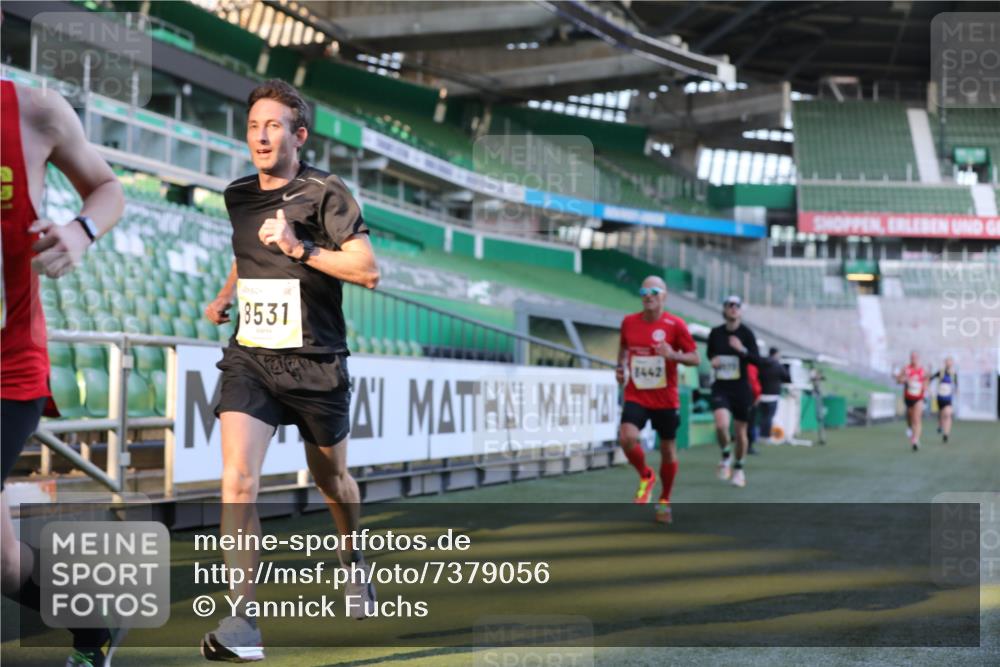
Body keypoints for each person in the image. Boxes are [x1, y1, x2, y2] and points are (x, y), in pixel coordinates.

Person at [201, 79, 379, 662]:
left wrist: (301, 249)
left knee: (332, 482)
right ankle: (243, 621)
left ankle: (353, 559)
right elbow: (244, 251)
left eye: (274, 125)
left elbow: (368, 270)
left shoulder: (327, 192)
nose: (261, 135)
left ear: (299, 135)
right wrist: (227, 293)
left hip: (318, 361)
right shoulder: (237, 194)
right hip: (252, 356)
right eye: (254, 125)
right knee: (237, 482)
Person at [1, 78, 125, 666]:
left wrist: (80, 230)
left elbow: (107, 188)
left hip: (7, 368)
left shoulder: (35, 110)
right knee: (2, 563)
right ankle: (92, 623)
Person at [616, 276, 699, 525]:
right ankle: (646, 475)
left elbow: (695, 357)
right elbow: (623, 348)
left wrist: (672, 354)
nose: (648, 295)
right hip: (637, 394)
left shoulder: (676, 325)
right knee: (627, 437)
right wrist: (620, 367)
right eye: (643, 291)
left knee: (667, 451)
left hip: (665, 398)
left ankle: (664, 500)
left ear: (663, 296)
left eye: (653, 291)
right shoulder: (629, 322)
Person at [707, 296, 760, 488]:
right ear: (724, 310)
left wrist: (742, 349)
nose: (733, 308)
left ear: (741, 311)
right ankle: (725, 455)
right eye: (730, 305)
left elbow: (756, 360)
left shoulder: (747, 334)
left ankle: (739, 469)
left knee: (740, 433)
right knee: (721, 425)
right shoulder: (715, 333)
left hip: (740, 388)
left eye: (737, 306)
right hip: (721, 385)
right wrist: (712, 360)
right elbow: (710, 353)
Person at [755, 347, 790, 445]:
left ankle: (760, 435)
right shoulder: (778, 365)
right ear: (776, 354)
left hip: (761, 394)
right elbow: (786, 377)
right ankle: (766, 437)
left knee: (763, 417)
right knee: (769, 417)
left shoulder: (761, 363)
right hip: (773, 395)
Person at [895, 351, 928, 451]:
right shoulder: (906, 369)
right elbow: (898, 380)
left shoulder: (923, 370)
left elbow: (926, 382)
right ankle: (909, 428)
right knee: (909, 418)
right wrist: (903, 380)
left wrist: (924, 386)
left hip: (919, 398)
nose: (914, 359)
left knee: (916, 419)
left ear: (918, 358)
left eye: (915, 357)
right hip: (908, 397)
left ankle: (916, 440)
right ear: (910, 358)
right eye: (912, 357)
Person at [931, 357, 957, 444]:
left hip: (948, 398)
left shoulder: (954, 374)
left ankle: (946, 434)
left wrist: (956, 391)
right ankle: (940, 425)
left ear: (952, 363)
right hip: (940, 397)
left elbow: (956, 385)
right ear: (945, 363)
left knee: (948, 414)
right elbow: (931, 378)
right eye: (947, 362)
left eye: (950, 362)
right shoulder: (941, 372)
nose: (948, 364)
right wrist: (929, 389)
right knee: (942, 413)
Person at [746, 363, 762, 455]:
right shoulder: (751, 366)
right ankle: (749, 446)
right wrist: (757, 396)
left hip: (742, 396)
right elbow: (753, 381)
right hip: (750, 397)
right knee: (749, 424)